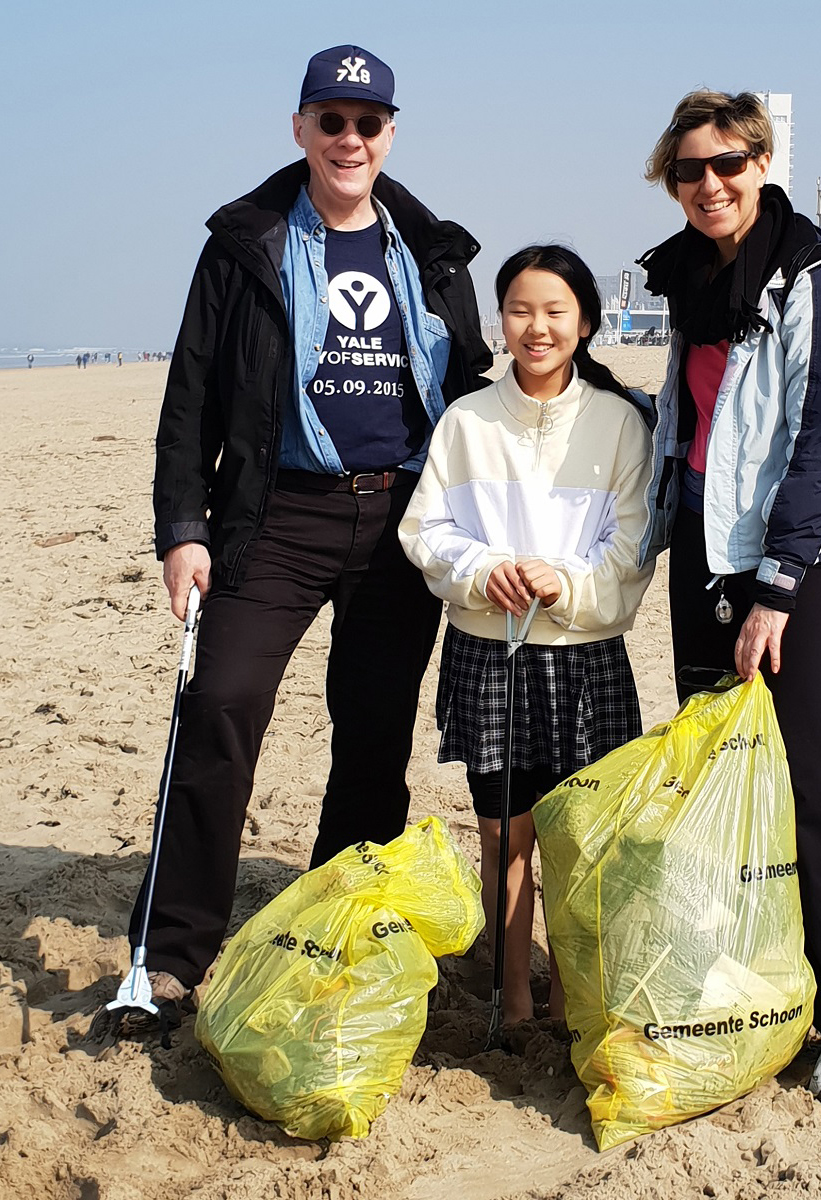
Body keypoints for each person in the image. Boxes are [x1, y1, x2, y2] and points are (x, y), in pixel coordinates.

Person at [134, 45, 489, 1023]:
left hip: (400, 524)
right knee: (222, 705)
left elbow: (470, 389)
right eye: (330, 120)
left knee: (373, 735)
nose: (348, 139)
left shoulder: (432, 251)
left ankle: (332, 922)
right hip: (275, 519)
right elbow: (189, 399)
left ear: (389, 135)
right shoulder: (244, 244)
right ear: (299, 129)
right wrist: (183, 527)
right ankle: (172, 953)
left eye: (367, 123)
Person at [634, 90, 821, 1104]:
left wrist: (780, 588)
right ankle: (739, 990)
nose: (710, 184)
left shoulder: (818, 283)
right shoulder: (690, 282)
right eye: (690, 170)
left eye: (728, 163)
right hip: (704, 554)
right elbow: (688, 432)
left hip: (794, 563)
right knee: (717, 781)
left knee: (807, 780)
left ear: (763, 160)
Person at [399, 245, 653, 1024]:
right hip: (488, 654)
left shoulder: (619, 423)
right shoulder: (466, 419)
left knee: (583, 839)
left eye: (554, 312)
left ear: (584, 323)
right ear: (499, 321)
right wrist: (485, 573)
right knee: (502, 833)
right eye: (519, 311)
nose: (536, 328)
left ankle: (575, 994)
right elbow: (425, 529)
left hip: (583, 659)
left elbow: (631, 551)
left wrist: (562, 583)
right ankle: (512, 998)